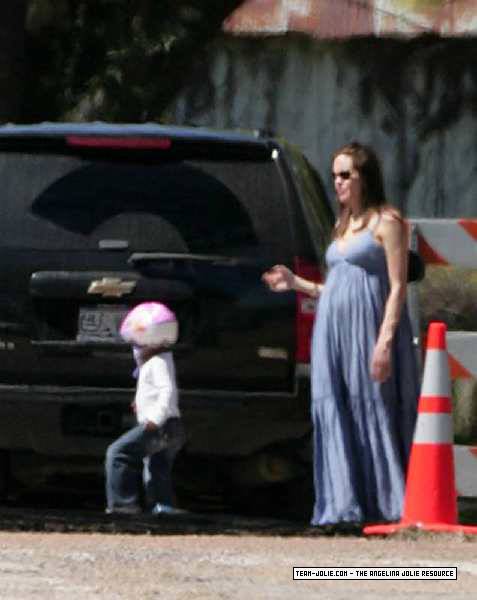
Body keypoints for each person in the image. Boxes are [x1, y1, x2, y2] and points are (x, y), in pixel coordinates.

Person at [262, 142, 419, 527]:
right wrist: (296, 283)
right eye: (335, 175)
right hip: (332, 333)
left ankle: (386, 503)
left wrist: (384, 341)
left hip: (369, 331)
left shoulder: (388, 222)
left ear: (365, 177)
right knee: (334, 406)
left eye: (346, 175)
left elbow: (397, 286)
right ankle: (342, 505)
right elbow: (335, 288)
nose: (338, 183)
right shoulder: (342, 224)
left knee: (373, 403)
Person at [105, 335, 186, 516]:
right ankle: (163, 506)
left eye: (139, 345)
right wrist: (139, 402)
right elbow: (154, 391)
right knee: (157, 465)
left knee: (118, 453)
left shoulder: (158, 361)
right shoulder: (159, 361)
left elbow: (167, 391)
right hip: (171, 426)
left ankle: (123, 504)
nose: (136, 351)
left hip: (161, 425)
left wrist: (155, 419)